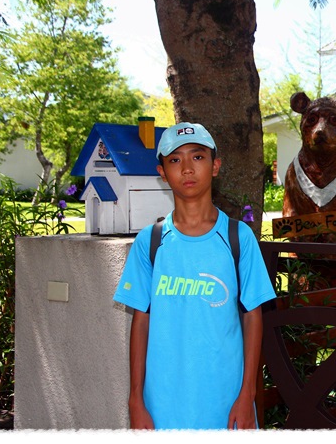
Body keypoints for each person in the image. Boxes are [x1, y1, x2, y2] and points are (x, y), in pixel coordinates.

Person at [113, 122, 276, 430]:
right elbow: (141, 321)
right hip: (160, 406)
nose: (187, 168)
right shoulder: (149, 242)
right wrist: (136, 400)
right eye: (175, 160)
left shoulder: (238, 237)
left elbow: (253, 317)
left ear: (215, 166)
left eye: (197, 157)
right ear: (162, 172)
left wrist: (247, 395)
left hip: (225, 403)